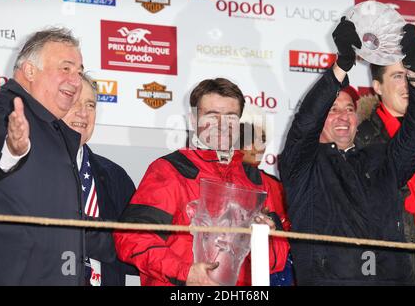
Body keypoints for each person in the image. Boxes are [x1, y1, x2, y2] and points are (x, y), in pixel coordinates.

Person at [279, 18, 415, 285]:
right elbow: (305, 125)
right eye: (333, 110)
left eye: (349, 109)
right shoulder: (302, 164)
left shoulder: (380, 158)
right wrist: (342, 65)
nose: (343, 116)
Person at [114, 78, 289, 286]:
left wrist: (266, 238)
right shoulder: (170, 170)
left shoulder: (259, 182)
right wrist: (185, 272)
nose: (223, 126)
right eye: (212, 116)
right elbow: (132, 238)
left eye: (230, 117)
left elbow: (275, 263)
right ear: (193, 119)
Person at [0, 28, 85, 285]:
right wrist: (12, 151)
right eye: (65, 68)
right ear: (30, 71)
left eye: (79, 72)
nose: (76, 80)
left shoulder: (54, 128)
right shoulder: (3, 108)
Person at [355, 59, 415, 285]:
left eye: (410, 76)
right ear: (377, 87)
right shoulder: (361, 139)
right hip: (392, 268)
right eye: (397, 76)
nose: (407, 85)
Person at [62, 75, 139, 286]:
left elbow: (137, 256)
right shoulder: (25, 169)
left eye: (90, 105)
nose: (83, 113)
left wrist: (82, 235)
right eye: (74, 101)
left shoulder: (115, 176)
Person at [239, 106, 295, 286]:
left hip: (276, 277)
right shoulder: (214, 181)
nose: (258, 146)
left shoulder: (276, 186)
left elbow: (289, 237)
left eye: (262, 139)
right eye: (250, 137)